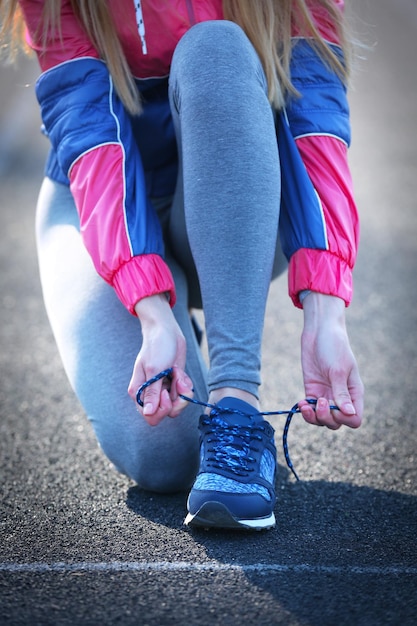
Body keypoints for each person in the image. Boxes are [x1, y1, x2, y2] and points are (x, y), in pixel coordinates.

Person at [1, 0, 364, 530]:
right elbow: (89, 132)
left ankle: (235, 405)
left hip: (237, 196)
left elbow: (317, 121)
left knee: (214, 48)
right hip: (105, 203)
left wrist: (326, 310)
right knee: (163, 455)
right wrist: (150, 311)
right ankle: (178, 334)